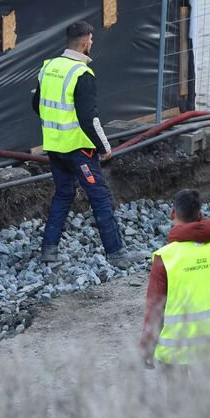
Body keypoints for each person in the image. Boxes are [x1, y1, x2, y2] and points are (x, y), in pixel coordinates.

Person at [32, 21, 141, 268]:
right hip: (79, 151)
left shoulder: (48, 67)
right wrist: (104, 148)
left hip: (54, 148)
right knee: (99, 197)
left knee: (63, 194)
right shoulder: (82, 74)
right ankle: (117, 254)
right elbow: (89, 119)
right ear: (84, 41)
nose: (92, 43)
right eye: (91, 39)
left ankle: (49, 250)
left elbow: (36, 104)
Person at [140, 189, 210, 405]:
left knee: (178, 405)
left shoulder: (166, 258)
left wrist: (146, 346)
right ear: (200, 214)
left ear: (173, 213)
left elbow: (154, 310)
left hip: (174, 351)